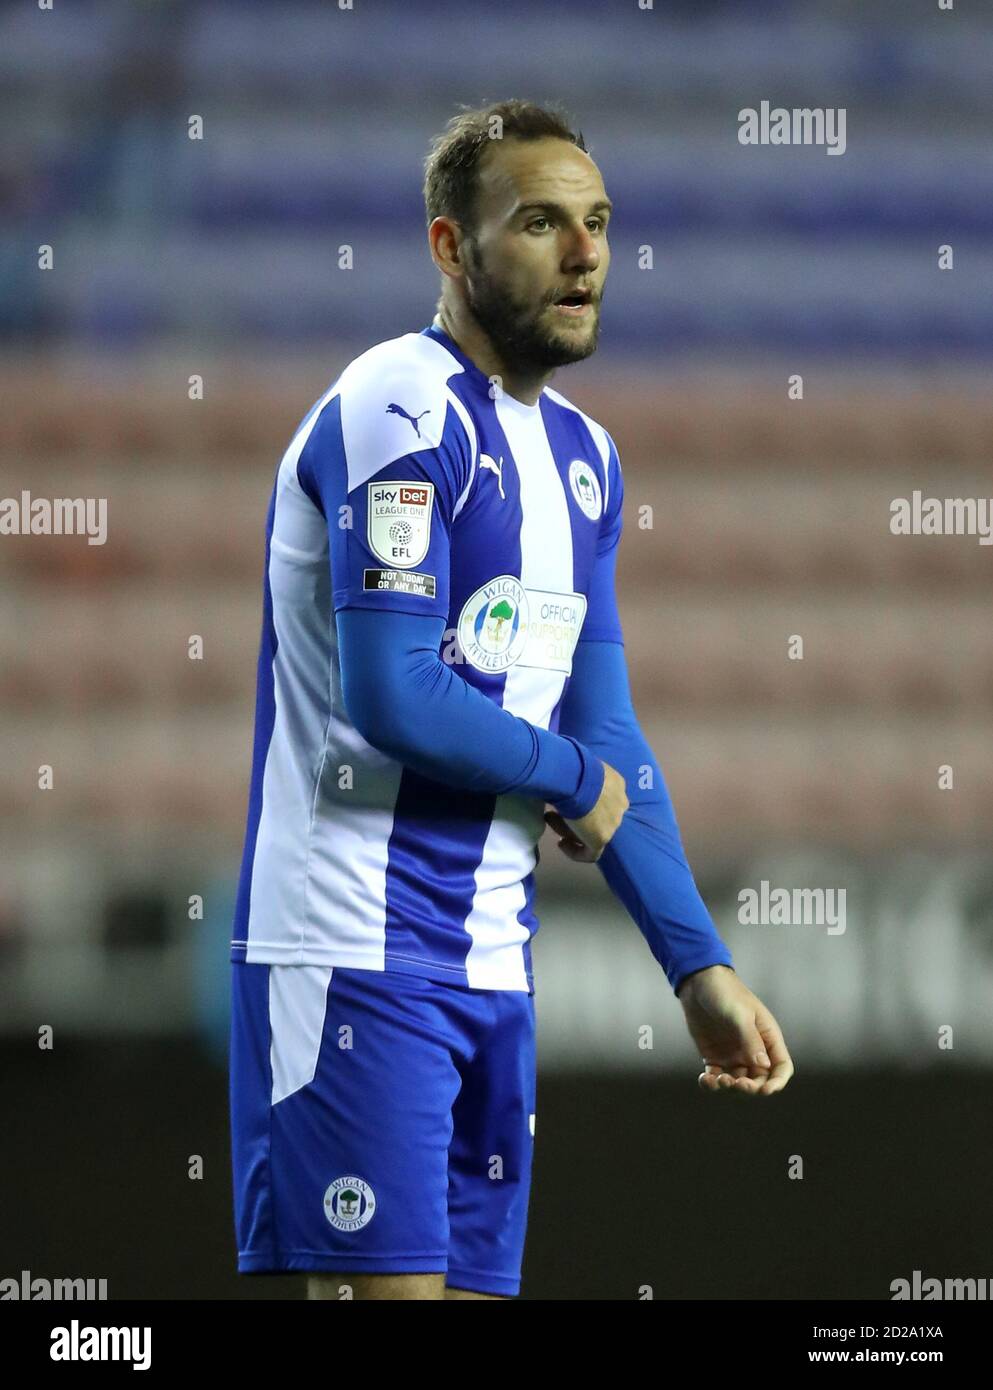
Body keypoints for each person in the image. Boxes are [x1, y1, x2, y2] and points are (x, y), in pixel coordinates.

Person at [228, 99, 793, 1302]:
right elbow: (396, 693)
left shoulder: (587, 458)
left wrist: (697, 965)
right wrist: (569, 781)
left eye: (597, 224)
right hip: (352, 951)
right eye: (541, 223)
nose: (585, 254)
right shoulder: (398, 403)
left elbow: (610, 733)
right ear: (450, 247)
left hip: (494, 962)